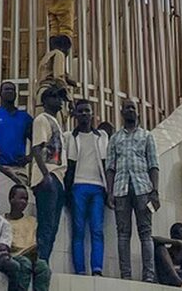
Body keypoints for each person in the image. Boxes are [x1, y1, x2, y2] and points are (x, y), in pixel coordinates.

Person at [105, 98, 160, 282]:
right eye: (126, 108)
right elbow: (110, 168)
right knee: (123, 233)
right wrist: (110, 192)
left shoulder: (147, 136)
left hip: (143, 189)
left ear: (137, 112)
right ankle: (126, 276)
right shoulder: (115, 138)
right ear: (121, 112)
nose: (130, 111)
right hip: (121, 190)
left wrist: (155, 191)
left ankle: (149, 277)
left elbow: (153, 165)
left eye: (132, 108)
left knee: (145, 233)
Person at [66, 98, 109, 275]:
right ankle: (80, 270)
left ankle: (97, 269)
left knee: (97, 229)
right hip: (78, 187)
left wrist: (110, 191)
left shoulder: (102, 136)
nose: (84, 114)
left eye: (87, 111)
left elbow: (107, 164)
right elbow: (68, 166)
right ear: (75, 114)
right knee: (78, 230)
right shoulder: (69, 137)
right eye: (81, 111)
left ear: (92, 114)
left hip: (98, 187)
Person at [30, 86, 69, 263]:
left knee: (53, 227)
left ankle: (44, 261)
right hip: (49, 176)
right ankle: (40, 261)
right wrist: (45, 175)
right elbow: (37, 148)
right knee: (46, 224)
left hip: (58, 178)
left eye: (61, 98)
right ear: (45, 100)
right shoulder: (41, 119)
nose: (59, 101)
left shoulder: (56, 123)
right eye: (55, 96)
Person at [5, 184, 50, 291]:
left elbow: (34, 243)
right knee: (25, 264)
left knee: (43, 266)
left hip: (30, 256)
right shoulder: (3, 221)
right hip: (12, 256)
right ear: (11, 199)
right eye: (21, 198)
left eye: (26, 199)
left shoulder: (32, 221)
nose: (24, 202)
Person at [0, 81, 34, 186]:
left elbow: (39, 141)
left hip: (18, 169)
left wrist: (29, 157)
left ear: (16, 94)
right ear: (0, 93)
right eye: (6, 89)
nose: (10, 91)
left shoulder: (24, 118)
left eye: (12, 89)